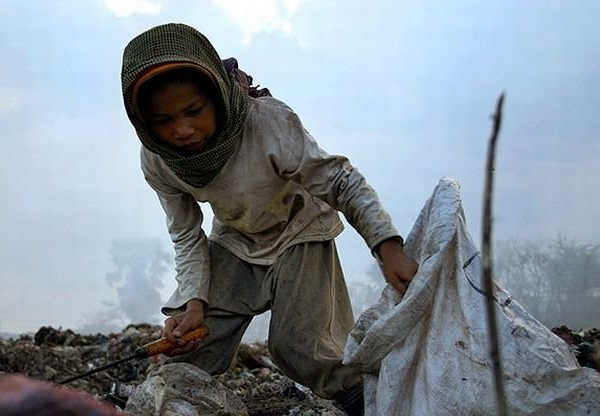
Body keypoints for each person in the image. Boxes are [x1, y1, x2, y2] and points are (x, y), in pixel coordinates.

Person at [120, 23, 418, 415]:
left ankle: (372, 404)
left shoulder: (267, 124)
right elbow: (186, 235)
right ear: (144, 123)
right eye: (163, 120)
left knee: (299, 349)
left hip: (299, 230)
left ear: (217, 98)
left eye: (194, 111)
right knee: (192, 347)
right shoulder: (159, 160)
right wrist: (193, 301)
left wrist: (386, 245)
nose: (182, 129)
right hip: (237, 240)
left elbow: (340, 180)